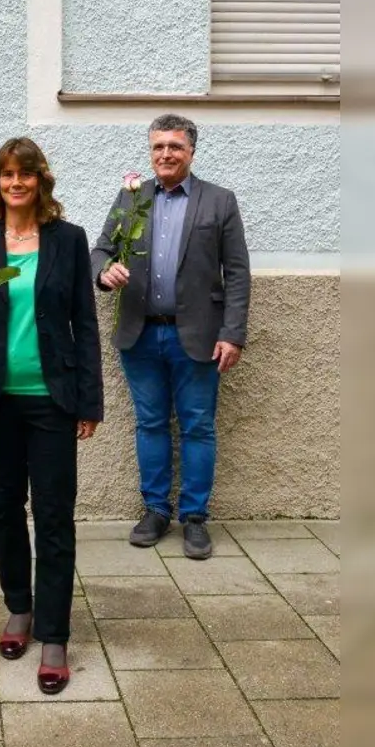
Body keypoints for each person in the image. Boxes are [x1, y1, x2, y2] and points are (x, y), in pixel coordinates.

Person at [0, 137, 103, 695]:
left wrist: (90, 402)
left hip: (53, 400)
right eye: (7, 174)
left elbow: (84, 326)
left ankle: (55, 633)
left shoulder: (69, 240)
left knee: (55, 514)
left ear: (41, 181)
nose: (16, 183)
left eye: (26, 174)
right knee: (5, 507)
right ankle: (19, 606)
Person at [92, 114, 251, 559]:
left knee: (199, 426)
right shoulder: (131, 198)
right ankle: (156, 510)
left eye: (175, 147)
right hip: (141, 335)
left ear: (191, 152)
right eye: (158, 146)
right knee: (150, 423)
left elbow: (237, 273)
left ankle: (195, 518)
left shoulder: (219, 201)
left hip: (198, 337)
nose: (166, 154)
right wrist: (105, 271)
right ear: (150, 151)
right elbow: (101, 249)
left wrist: (232, 333)